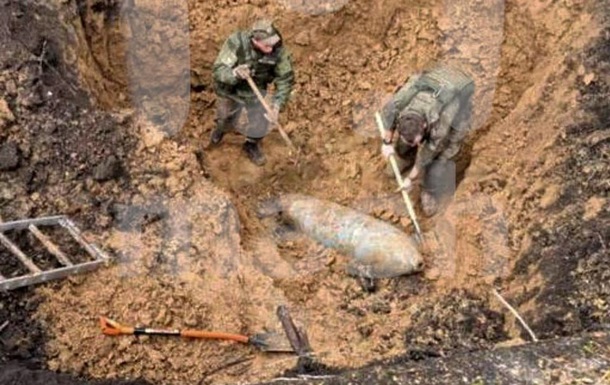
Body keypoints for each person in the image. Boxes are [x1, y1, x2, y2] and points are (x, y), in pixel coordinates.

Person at [379, 64, 475, 216]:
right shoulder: (401, 102)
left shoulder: (440, 124)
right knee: (404, 143)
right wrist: (387, 143)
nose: (417, 145)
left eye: (417, 142)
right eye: (414, 143)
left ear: (424, 125)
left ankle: (429, 190)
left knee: (439, 160)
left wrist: (410, 179)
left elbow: (428, 152)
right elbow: (389, 114)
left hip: (457, 97)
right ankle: (403, 157)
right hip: (435, 80)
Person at [210, 19, 295, 166]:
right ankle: (220, 131)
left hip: (256, 91)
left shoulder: (277, 49)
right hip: (231, 92)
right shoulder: (237, 42)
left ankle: (251, 145)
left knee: (259, 123)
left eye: (273, 44)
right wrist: (235, 73)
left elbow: (285, 79)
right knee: (225, 118)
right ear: (255, 41)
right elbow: (219, 70)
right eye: (266, 45)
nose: (271, 49)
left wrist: (277, 106)